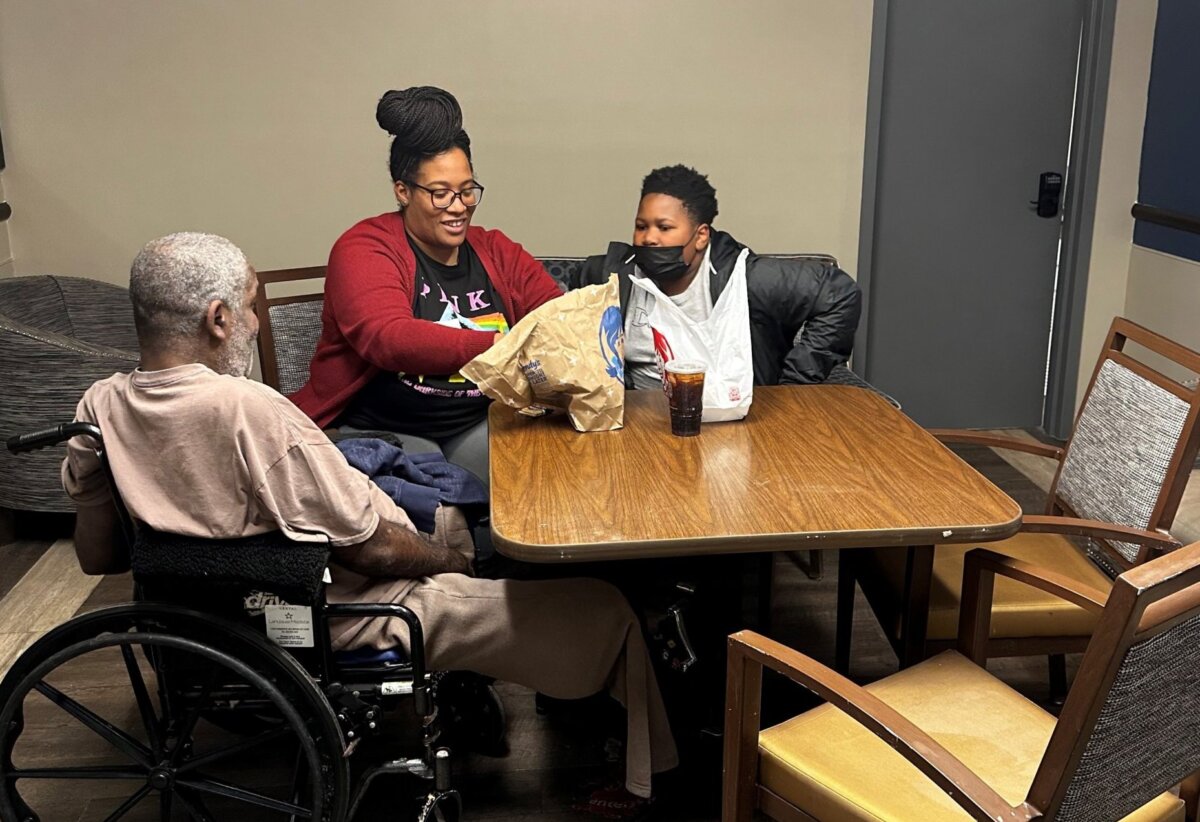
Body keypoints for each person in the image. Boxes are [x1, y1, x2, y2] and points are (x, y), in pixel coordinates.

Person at [62, 232, 677, 803]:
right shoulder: (253, 412)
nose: (255, 322)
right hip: (344, 613)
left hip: (203, 614)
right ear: (218, 320)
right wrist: (459, 562)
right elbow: (375, 552)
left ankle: (473, 688)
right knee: (603, 604)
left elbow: (100, 557)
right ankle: (646, 776)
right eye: (252, 308)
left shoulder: (100, 408)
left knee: (464, 516)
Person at [291, 87, 563, 490]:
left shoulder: (495, 249)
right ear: (403, 191)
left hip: (476, 421)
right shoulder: (365, 247)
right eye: (440, 193)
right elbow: (389, 338)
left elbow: (557, 318)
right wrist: (505, 347)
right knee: (437, 499)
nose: (458, 206)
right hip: (382, 428)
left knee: (546, 479)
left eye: (467, 190)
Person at [575, 164, 862, 389]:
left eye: (664, 228)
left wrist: (794, 383)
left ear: (700, 236)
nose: (649, 238)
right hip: (639, 427)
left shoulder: (744, 278)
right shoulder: (605, 278)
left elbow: (840, 294)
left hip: (734, 424)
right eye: (641, 226)